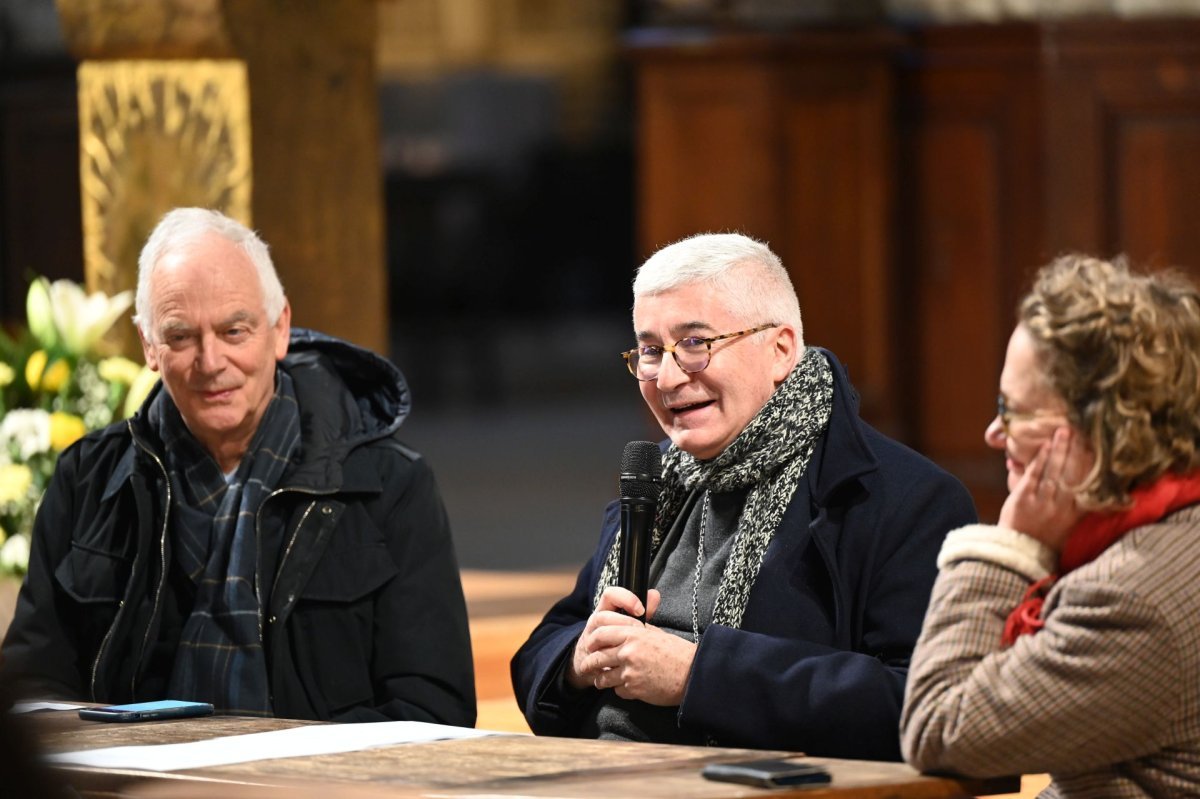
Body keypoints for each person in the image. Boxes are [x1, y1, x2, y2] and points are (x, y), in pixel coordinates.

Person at [0, 208, 476, 726]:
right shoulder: (87, 479)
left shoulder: (390, 487)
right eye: (181, 337)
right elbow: (32, 686)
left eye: (234, 331)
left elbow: (434, 712)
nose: (211, 362)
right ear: (148, 346)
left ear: (279, 329)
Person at [510, 232, 976, 760]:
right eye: (649, 351)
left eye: (694, 344)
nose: (666, 377)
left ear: (780, 349)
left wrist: (696, 675)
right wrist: (579, 660)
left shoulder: (902, 499)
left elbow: (922, 706)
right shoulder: (658, 482)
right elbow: (546, 645)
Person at [901, 254, 1200, 796]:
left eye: (1015, 411)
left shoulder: (1131, 598)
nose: (995, 432)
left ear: (1101, 427)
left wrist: (1009, 547)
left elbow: (937, 726)